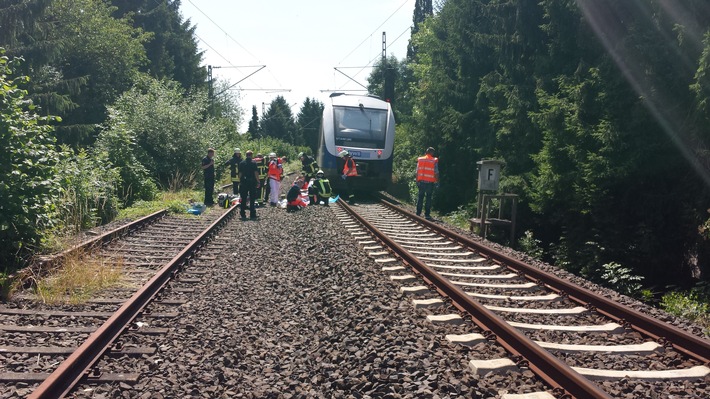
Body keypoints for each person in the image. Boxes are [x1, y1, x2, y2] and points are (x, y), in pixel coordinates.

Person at [416, 147, 439, 220]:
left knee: (420, 197)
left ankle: (418, 213)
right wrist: (437, 181)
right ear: (431, 153)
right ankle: (427, 215)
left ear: (426, 152)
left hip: (421, 182)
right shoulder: (433, 160)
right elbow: (436, 172)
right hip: (429, 183)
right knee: (428, 198)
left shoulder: (420, 159)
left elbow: (417, 172)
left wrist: (417, 180)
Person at [238, 150, 260, 220]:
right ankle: (252, 214)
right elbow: (256, 173)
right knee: (252, 198)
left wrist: (240, 181)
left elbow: (240, 174)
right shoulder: (254, 163)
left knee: (243, 198)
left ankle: (242, 213)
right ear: (251, 155)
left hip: (244, 182)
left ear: (246, 155)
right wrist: (258, 181)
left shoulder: (241, 163)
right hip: (252, 182)